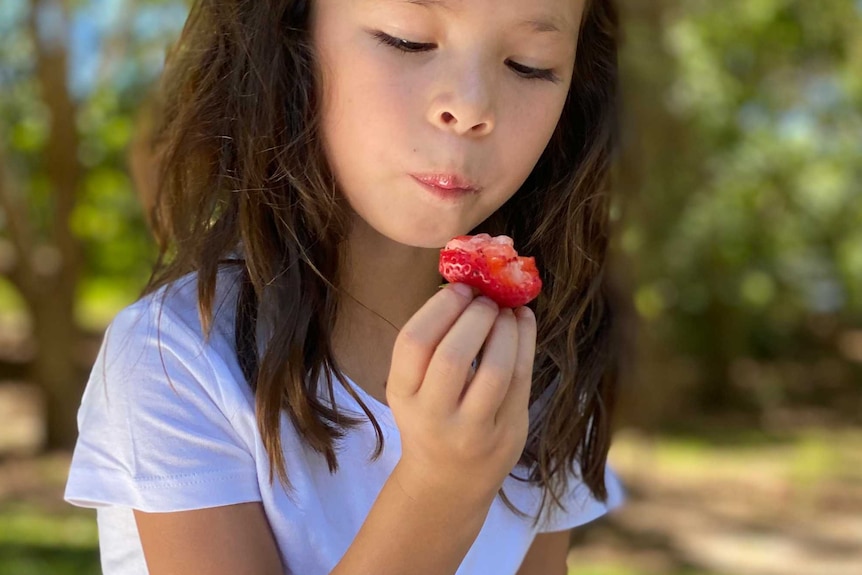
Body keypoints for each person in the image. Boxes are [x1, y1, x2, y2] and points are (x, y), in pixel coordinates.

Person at [64, 0, 626, 573]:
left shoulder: (546, 356)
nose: (471, 106)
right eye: (407, 40)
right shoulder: (174, 357)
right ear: (290, 35)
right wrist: (441, 490)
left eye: (529, 65)